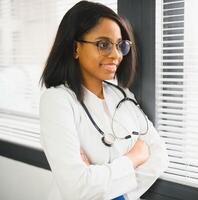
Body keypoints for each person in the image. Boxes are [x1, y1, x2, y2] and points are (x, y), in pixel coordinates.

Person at [39, 1, 168, 200]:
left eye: (120, 45)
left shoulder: (123, 96)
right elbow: (77, 188)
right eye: (103, 44)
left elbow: (159, 156)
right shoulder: (57, 101)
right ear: (75, 48)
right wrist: (134, 157)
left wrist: (112, 191)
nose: (116, 54)